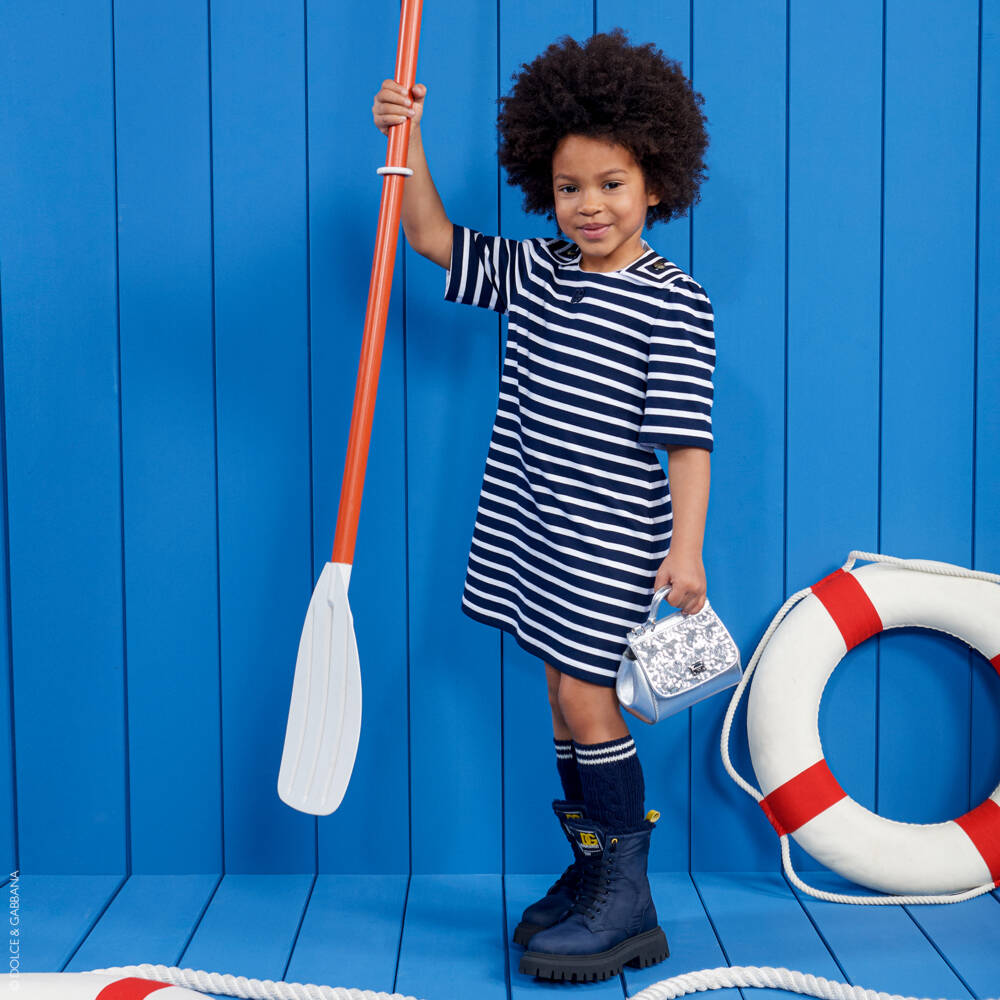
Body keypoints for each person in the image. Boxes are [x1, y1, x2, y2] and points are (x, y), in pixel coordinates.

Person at [372, 27, 713, 983]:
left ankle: (629, 900)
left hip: (614, 531)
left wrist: (685, 551)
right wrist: (412, 137)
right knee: (561, 707)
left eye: (612, 185)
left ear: (655, 184)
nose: (591, 206)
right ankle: (595, 868)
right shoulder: (537, 272)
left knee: (582, 694)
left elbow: (687, 438)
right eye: (571, 188)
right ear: (544, 187)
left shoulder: (674, 302)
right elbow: (432, 237)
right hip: (536, 525)